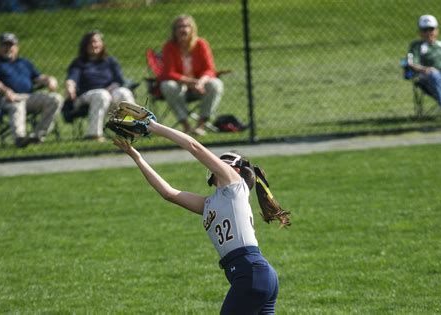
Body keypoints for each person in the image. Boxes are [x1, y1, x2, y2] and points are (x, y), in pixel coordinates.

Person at [112, 118, 290, 314]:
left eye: (221, 160)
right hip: (254, 274)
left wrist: (153, 127)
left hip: (250, 273)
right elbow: (169, 193)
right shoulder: (210, 203)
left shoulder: (235, 185)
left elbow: (193, 146)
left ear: (236, 169)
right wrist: (137, 158)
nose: (214, 162)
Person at [0, 32, 63, 148]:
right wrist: (6, 91)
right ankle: (20, 139)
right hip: (3, 99)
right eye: (5, 45)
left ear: (16, 47)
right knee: (17, 104)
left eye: (11, 45)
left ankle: (37, 136)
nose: (8, 48)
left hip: (28, 96)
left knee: (55, 99)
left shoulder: (24, 63)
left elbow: (37, 78)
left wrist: (49, 79)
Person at [159, 14, 224, 135]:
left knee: (216, 84)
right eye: (179, 27)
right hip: (180, 87)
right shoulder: (169, 47)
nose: (183, 29)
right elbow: (169, 73)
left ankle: (201, 125)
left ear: (192, 29)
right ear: (174, 30)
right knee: (167, 85)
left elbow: (210, 69)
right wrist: (190, 82)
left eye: (186, 26)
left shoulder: (201, 44)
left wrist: (200, 82)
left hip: (199, 86)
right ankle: (186, 126)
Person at [65, 30, 135, 142]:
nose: (93, 45)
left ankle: (131, 130)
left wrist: (111, 88)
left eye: (96, 42)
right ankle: (94, 135)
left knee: (123, 92)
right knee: (101, 94)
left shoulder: (110, 61)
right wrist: (70, 86)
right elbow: (72, 78)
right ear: (85, 46)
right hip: (86, 96)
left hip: (109, 94)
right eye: (90, 43)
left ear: (102, 44)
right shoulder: (79, 63)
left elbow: (119, 80)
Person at [407, 14, 441, 116]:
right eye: (425, 30)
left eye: (431, 29)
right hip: (430, 76)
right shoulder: (416, 46)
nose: (428, 33)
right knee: (435, 76)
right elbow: (411, 63)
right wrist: (425, 69)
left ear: (437, 30)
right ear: (420, 32)